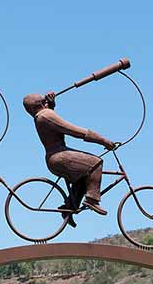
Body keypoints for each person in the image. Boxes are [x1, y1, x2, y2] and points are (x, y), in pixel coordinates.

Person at [23, 91, 116, 224]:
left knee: (84, 177)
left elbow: (53, 123)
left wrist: (51, 105)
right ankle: (92, 199)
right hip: (59, 156)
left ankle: (69, 207)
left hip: (54, 158)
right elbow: (75, 131)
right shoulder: (46, 115)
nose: (46, 103)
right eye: (44, 102)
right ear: (40, 105)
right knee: (95, 163)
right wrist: (103, 140)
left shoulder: (42, 115)